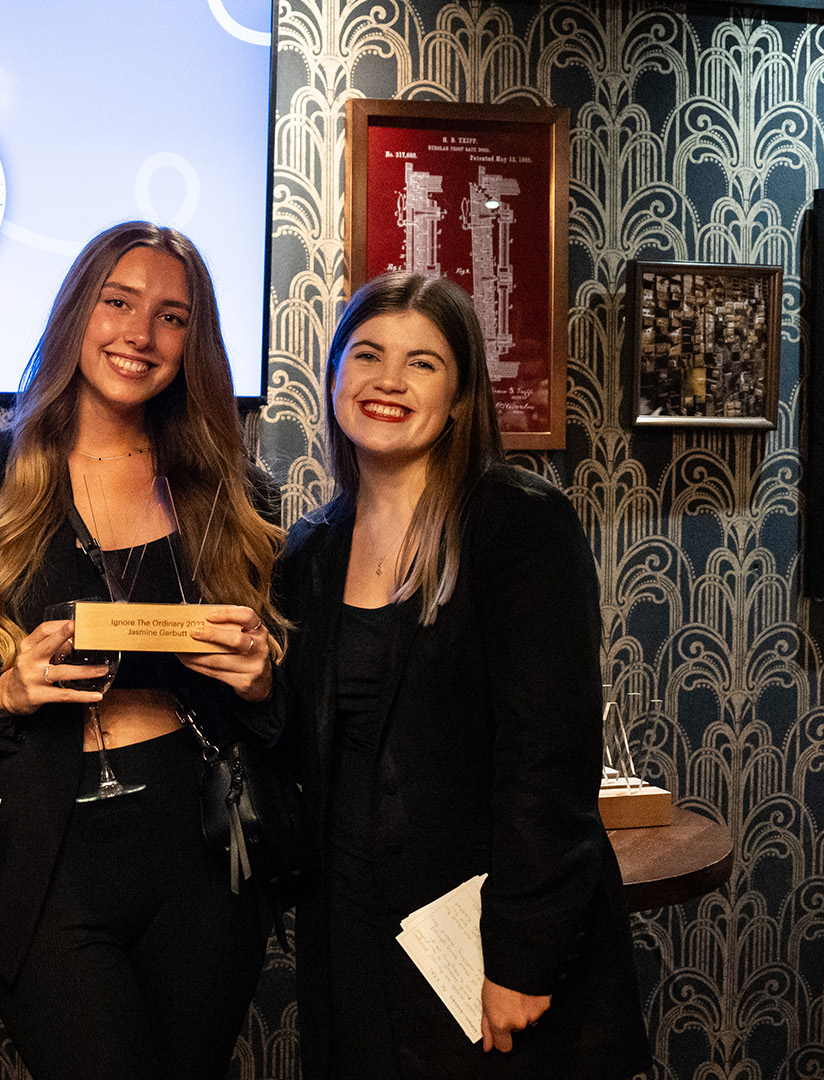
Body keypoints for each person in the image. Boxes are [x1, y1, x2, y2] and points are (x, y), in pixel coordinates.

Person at [277, 271, 651, 1079]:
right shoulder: (308, 551)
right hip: (349, 926)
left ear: (460, 394)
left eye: (423, 363)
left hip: (480, 941)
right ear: (335, 374)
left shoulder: (517, 522)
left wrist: (522, 953)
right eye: (368, 354)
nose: (388, 381)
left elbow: (547, 762)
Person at [0, 221, 285, 1080]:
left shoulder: (234, 492)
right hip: (42, 846)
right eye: (118, 303)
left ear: (194, 342)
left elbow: (292, 691)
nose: (140, 335)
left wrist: (260, 681)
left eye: (172, 317)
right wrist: (2, 692)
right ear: (77, 313)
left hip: (200, 844)